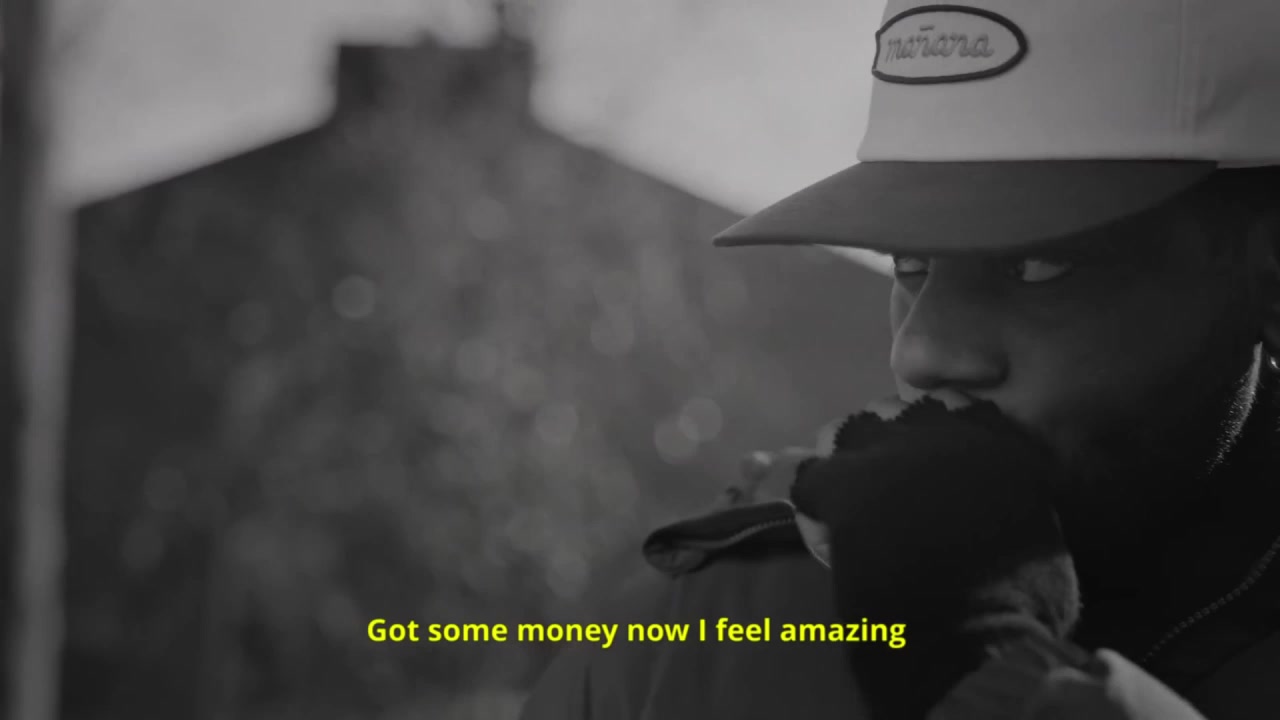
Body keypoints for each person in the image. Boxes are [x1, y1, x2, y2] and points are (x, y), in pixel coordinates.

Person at [519, 0, 1280, 717]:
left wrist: (991, 678)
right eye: (908, 263)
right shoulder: (701, 631)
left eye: (1037, 267)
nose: (919, 349)